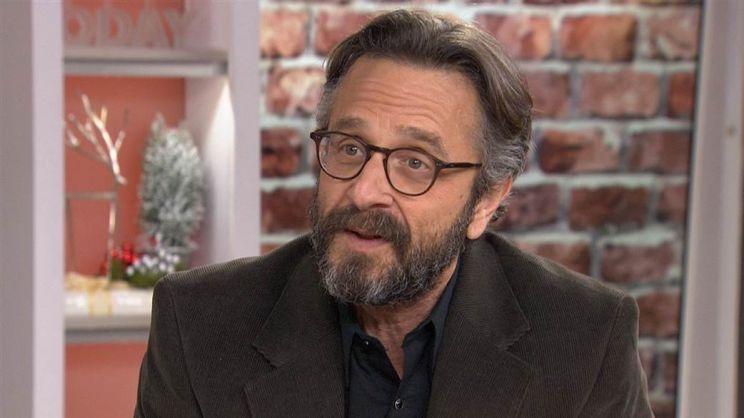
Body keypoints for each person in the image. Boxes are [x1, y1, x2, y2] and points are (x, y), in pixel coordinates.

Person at [135, 9, 652, 418]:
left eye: (415, 163)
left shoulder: (587, 341)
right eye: (350, 148)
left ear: (486, 200)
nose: (364, 192)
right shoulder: (200, 323)